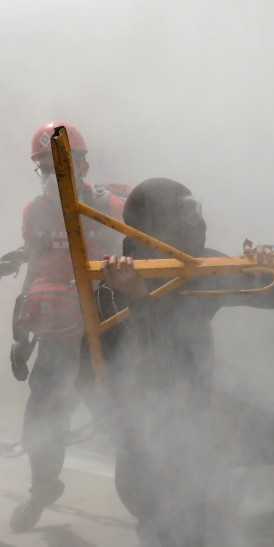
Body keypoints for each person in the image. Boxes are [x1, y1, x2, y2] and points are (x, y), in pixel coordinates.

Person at [84, 178, 274, 546]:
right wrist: (139, 298)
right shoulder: (113, 288)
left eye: (197, 209)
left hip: (203, 415)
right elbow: (149, 372)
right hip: (151, 453)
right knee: (185, 530)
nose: (199, 222)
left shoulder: (200, 266)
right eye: (186, 212)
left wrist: (271, 266)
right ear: (158, 225)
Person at [9, 121, 129, 532]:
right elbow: (37, 270)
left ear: (85, 165)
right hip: (57, 337)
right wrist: (21, 333)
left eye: (64, 165)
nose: (55, 175)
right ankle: (43, 487)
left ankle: (155, 497)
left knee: (122, 421)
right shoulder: (35, 213)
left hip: (104, 334)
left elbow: (139, 272)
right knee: (41, 420)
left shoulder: (111, 209)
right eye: (46, 168)